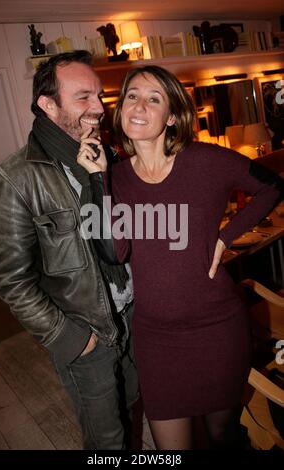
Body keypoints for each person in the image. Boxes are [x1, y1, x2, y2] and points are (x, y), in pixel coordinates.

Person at [76, 65, 284, 450]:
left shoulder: (206, 160)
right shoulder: (114, 178)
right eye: (131, 96)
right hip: (156, 339)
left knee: (221, 434)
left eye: (153, 98)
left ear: (172, 116)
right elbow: (113, 251)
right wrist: (96, 178)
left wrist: (225, 238)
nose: (138, 105)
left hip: (218, 328)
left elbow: (272, 186)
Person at [0, 51, 138, 450]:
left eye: (100, 96)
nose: (99, 108)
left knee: (136, 405)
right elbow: (9, 281)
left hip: (135, 316)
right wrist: (69, 337)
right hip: (87, 334)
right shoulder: (14, 178)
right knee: (108, 440)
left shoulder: (109, 156)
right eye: (83, 97)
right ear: (48, 105)